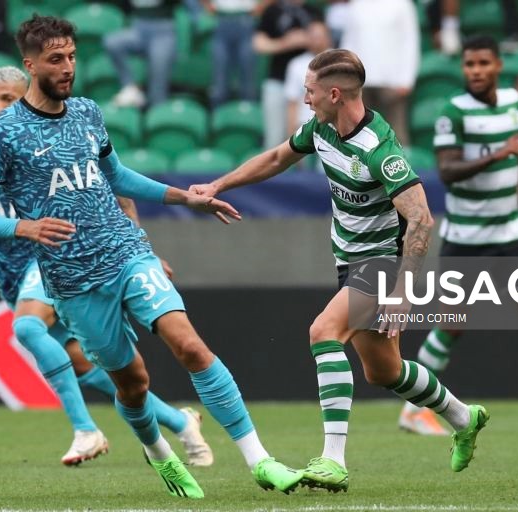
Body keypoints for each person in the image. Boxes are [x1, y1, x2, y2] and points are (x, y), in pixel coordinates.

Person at [0, 15, 301, 499]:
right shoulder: (0, 135)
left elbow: (117, 177)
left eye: (72, 57)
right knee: (132, 383)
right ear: (30, 64)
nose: (68, 68)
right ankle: (161, 455)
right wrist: (25, 226)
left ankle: (261, 461)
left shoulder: (87, 113)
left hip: (125, 253)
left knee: (189, 345)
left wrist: (186, 198)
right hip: (73, 281)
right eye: (56, 59)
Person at [190, 48, 489, 492]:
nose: (304, 98)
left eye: (309, 91)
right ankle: (465, 418)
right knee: (383, 372)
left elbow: (422, 218)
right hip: (350, 261)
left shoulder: (380, 151)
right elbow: (276, 159)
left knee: (323, 332)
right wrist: (218, 184)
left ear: (333, 93)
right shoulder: (321, 128)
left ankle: (333, 460)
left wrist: (404, 293)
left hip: (383, 264)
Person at [0, 65, 213, 468]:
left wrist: (138, 247)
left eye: (7, 98)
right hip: (14, 276)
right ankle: (181, 421)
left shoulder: (55, 131)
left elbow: (116, 189)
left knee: (26, 327)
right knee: (85, 366)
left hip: (58, 257)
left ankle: (86, 431)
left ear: (26, 97)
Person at [398, 35, 518, 436]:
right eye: (470, 65)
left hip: (509, 231)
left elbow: (517, 149)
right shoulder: (454, 112)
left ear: (498, 65)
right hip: (467, 235)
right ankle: (413, 411)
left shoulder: (511, 103)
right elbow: (447, 171)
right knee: (453, 322)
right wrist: (497, 155)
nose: (477, 71)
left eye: (484, 63)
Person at [339, 0, 419, 146]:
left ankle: (400, 168)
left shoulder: (402, 4)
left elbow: (410, 41)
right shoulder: (356, 5)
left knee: (397, 134)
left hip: (393, 82)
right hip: (360, 82)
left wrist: (407, 80)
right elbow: (349, 42)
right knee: (359, 134)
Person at [253, 0, 324, 149]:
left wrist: (309, 39)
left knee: (309, 136)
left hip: (308, 84)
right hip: (277, 79)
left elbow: (324, 39)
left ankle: (304, 173)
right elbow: (258, 44)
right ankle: (274, 173)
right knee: (275, 138)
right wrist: (286, 42)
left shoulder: (313, 11)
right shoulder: (273, 9)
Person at [104, 0, 177, 108]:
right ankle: (130, 87)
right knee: (112, 43)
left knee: (157, 88)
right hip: (139, 28)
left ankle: (156, 115)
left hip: (163, 31)